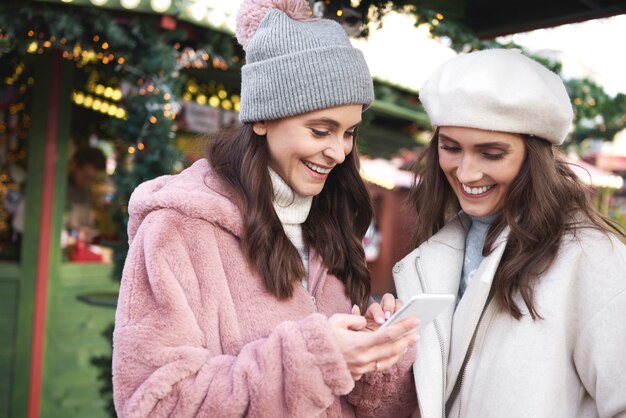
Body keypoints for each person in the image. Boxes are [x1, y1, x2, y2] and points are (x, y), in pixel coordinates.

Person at [112, 1, 419, 417]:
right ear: (262, 118)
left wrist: (374, 355)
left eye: (349, 133)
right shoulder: (179, 227)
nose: (338, 151)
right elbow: (155, 403)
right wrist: (316, 360)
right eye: (320, 130)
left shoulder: (328, 226)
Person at [393, 48, 626, 417]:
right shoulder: (435, 252)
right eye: (450, 148)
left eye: (491, 154)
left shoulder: (593, 257)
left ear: (533, 156)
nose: (466, 173)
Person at [65, 146, 106, 240]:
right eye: (84, 176)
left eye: (90, 179)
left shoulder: (86, 193)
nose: (86, 182)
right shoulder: (60, 189)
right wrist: (77, 233)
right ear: (73, 165)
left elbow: (88, 226)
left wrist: (87, 233)